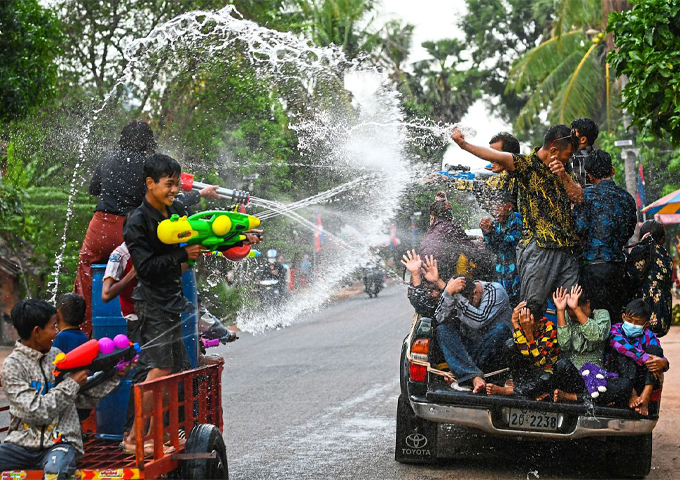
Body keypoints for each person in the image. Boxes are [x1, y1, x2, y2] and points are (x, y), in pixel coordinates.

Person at [121, 154, 261, 454]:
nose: (175, 190)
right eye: (169, 184)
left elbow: (205, 235)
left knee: (173, 372)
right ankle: (133, 439)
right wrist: (182, 256)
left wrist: (242, 237)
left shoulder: (168, 212)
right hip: (152, 304)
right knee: (158, 371)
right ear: (150, 183)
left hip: (171, 302)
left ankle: (158, 435)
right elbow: (144, 268)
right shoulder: (137, 221)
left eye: (176, 184)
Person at [74, 120, 220, 335]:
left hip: (100, 228)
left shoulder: (107, 159)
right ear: (148, 142)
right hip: (130, 231)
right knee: (161, 267)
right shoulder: (147, 167)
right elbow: (166, 201)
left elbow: (94, 188)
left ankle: (82, 331)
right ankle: (186, 324)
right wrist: (200, 193)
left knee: (85, 270)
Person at [451, 124, 582, 317]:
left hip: (567, 248)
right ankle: (528, 345)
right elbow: (496, 156)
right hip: (539, 248)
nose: (570, 158)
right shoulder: (527, 165)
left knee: (573, 306)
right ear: (553, 150)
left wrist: (564, 177)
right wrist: (463, 144)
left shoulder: (565, 168)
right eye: (569, 154)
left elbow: (578, 197)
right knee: (532, 309)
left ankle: (566, 347)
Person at [0, 300, 120, 478]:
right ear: (36, 331)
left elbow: (82, 398)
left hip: (60, 442)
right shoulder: (12, 366)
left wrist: (115, 374)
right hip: (21, 444)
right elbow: (36, 410)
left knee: (56, 473)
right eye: (53, 327)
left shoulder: (57, 356)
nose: (56, 333)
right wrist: (71, 383)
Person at [573, 149, 637, 318]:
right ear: (613, 170)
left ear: (590, 176)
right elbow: (629, 230)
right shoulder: (627, 198)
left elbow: (579, 228)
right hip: (618, 266)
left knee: (595, 318)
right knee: (615, 318)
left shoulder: (585, 197)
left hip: (592, 268)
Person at [551, 286, 632, 405]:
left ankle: (573, 397)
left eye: (577, 313)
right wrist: (560, 311)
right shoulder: (566, 316)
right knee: (562, 365)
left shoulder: (602, 315)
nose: (576, 318)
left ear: (588, 303)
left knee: (625, 385)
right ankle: (592, 399)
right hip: (573, 378)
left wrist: (576, 309)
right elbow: (563, 344)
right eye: (573, 316)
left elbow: (596, 336)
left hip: (597, 378)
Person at [434, 276, 513, 393]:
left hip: (492, 352)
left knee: (501, 329)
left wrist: (456, 297)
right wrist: (448, 292)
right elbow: (439, 318)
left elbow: (478, 320)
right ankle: (473, 377)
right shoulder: (456, 294)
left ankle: (462, 373)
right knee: (442, 329)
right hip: (469, 352)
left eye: (469, 303)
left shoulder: (495, 290)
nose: (468, 306)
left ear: (475, 292)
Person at [606, 299, 669, 415]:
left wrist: (664, 363)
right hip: (620, 378)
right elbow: (621, 346)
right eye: (630, 320)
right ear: (623, 317)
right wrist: (644, 358)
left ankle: (645, 396)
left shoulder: (649, 336)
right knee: (624, 352)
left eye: (638, 322)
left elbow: (659, 357)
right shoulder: (616, 330)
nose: (633, 325)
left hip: (640, 379)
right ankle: (632, 395)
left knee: (655, 351)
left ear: (646, 324)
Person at [486, 302, 561, 399]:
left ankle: (509, 391)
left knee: (546, 378)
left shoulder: (549, 329)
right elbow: (523, 352)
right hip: (527, 371)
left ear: (537, 321)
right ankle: (519, 385)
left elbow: (541, 362)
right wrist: (514, 322)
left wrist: (529, 335)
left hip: (544, 371)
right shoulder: (522, 324)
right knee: (510, 344)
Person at [626, 220, 673, 337]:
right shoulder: (665, 254)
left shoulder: (641, 251)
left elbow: (630, 277)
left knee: (640, 342)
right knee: (651, 340)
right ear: (662, 238)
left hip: (643, 306)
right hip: (661, 307)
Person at [480, 188, 522, 307]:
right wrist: (486, 232)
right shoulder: (497, 223)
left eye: (497, 207)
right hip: (501, 270)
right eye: (492, 208)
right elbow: (492, 248)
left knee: (516, 302)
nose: (494, 211)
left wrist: (493, 230)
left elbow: (511, 243)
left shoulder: (515, 217)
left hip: (515, 270)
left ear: (509, 206)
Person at [418, 193, 476, 282]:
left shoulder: (430, 232)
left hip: (421, 279)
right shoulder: (451, 227)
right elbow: (472, 250)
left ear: (432, 216)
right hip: (441, 279)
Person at [101, 241, 139, 342]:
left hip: (161, 315)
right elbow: (106, 294)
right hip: (136, 320)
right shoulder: (120, 254)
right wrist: (132, 273)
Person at [401, 250, 445, 318]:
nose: (435, 294)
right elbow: (421, 308)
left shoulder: (453, 303)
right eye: (430, 291)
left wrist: (438, 281)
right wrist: (415, 275)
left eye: (438, 289)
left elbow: (456, 303)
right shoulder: (426, 306)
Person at [570, 118, 600, 189]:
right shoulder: (598, 156)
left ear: (583, 139)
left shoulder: (577, 158)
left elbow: (580, 188)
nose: (569, 137)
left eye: (573, 133)